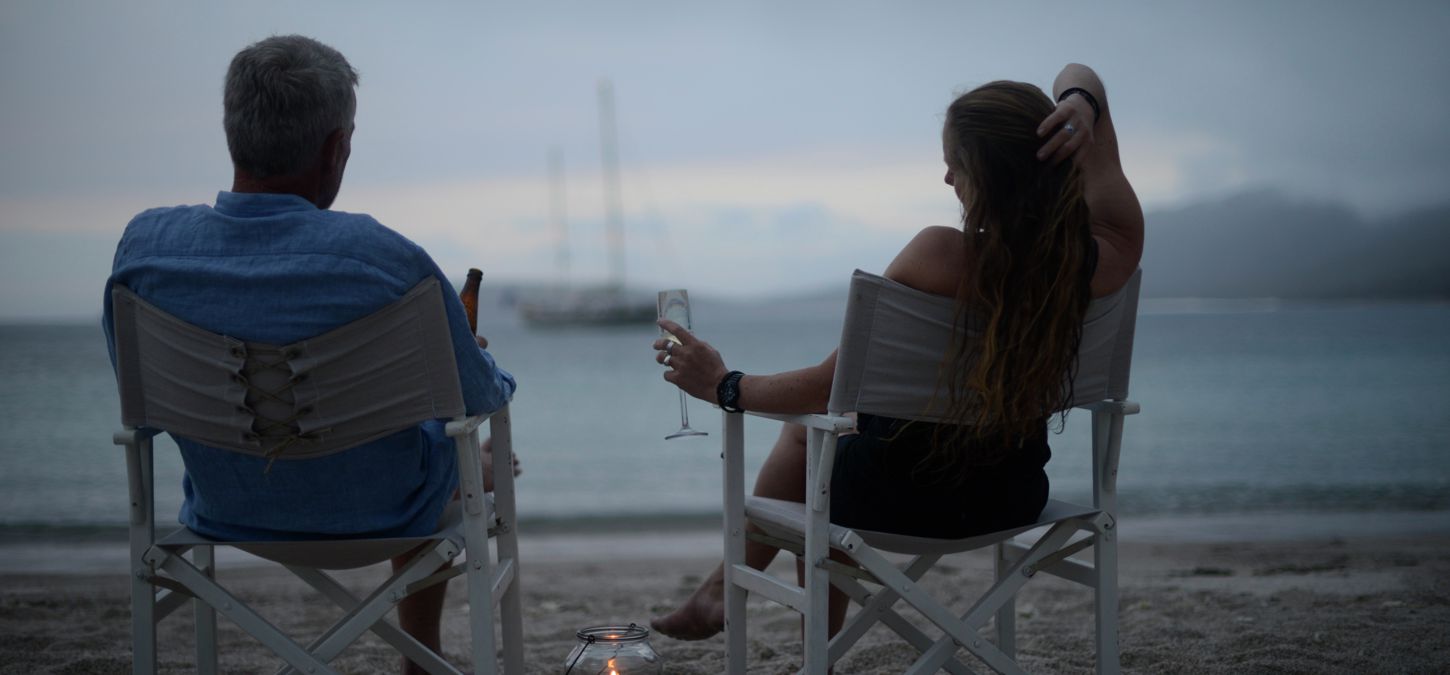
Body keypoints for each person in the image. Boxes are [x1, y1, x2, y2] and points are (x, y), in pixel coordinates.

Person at [649, 63, 1144, 641]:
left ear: (984, 175)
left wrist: (722, 385)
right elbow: (1082, 83)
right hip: (1012, 499)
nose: (946, 180)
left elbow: (826, 389)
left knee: (817, 442)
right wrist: (1081, 100)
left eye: (954, 166)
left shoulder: (939, 255)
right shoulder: (1108, 255)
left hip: (902, 502)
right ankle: (725, 598)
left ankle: (762, 616)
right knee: (842, 443)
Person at [99, 35, 517, 675]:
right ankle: (420, 660)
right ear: (335, 147)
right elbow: (482, 395)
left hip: (222, 514)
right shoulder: (381, 260)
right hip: (388, 516)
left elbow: (140, 397)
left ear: (233, 131)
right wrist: (467, 360)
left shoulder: (145, 251)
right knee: (457, 446)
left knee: (427, 440)